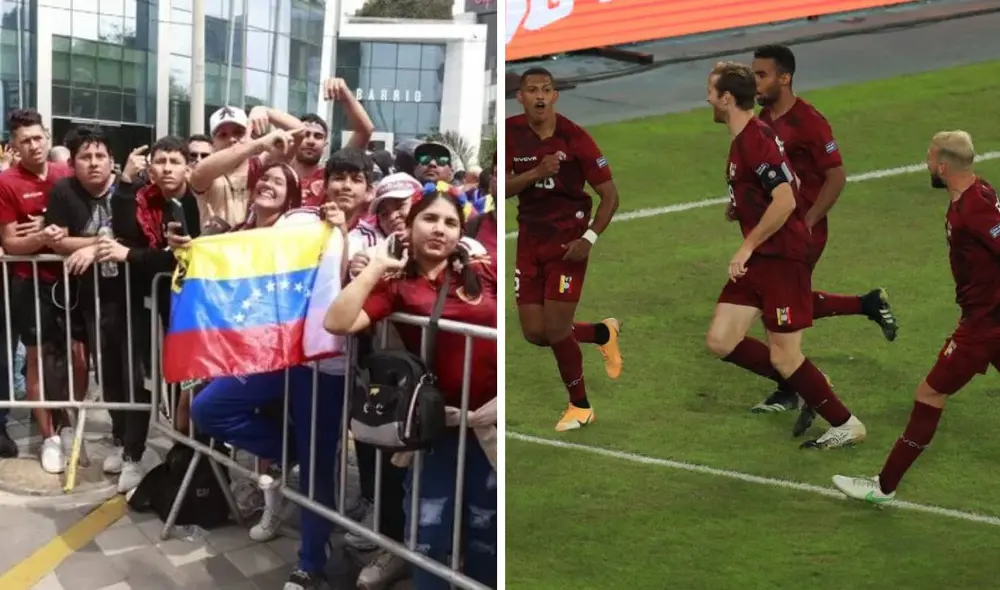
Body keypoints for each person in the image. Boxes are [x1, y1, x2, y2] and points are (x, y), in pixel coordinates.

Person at [324, 185, 497, 590]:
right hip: (436, 429)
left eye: (450, 222)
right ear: (411, 226)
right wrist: (375, 266)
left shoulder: (484, 272)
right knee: (427, 528)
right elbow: (337, 322)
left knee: (485, 527)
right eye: (430, 219)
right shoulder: (397, 285)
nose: (440, 230)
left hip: (492, 425)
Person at [191, 161, 348, 590]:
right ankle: (287, 451)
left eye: (281, 181)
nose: (269, 184)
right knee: (208, 408)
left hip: (322, 366)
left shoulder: (331, 228)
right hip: (271, 358)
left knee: (318, 470)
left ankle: (311, 564)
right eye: (339, 180)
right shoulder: (268, 227)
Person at [702, 61, 866, 449]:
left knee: (785, 356)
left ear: (726, 98)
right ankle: (808, 380)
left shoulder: (754, 138)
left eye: (710, 92)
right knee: (722, 340)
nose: (706, 98)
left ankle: (845, 422)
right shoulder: (747, 136)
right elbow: (775, 184)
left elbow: (785, 198)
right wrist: (740, 207)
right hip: (764, 259)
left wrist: (747, 244)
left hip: (781, 258)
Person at [833, 131, 999, 503]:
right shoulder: (979, 191)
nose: (925, 162)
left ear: (943, 166)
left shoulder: (974, 209)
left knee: (929, 392)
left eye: (929, 157)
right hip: (989, 318)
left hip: (983, 326)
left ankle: (883, 486)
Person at [750, 44, 899, 422]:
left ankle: (799, 391)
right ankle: (866, 304)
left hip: (802, 232)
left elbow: (837, 175)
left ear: (784, 78)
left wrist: (811, 220)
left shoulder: (810, 121)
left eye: (761, 74)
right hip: (777, 229)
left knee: (778, 306)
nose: (755, 82)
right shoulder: (763, 119)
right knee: (781, 303)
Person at [506, 66, 623, 432]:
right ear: (520, 97)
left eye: (546, 90)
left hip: (567, 242)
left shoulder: (576, 138)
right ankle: (602, 333)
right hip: (529, 241)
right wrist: (535, 174)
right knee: (535, 333)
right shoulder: (510, 132)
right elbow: (500, 188)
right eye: (531, 90)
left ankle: (581, 406)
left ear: (555, 96)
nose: (539, 96)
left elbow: (610, 196)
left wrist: (588, 239)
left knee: (556, 330)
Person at [93, 136, 202, 491]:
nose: (167, 168)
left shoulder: (194, 201)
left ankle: (181, 448)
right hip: (139, 300)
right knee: (136, 375)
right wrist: (125, 181)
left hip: (185, 304)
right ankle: (132, 452)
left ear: (187, 166)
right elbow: (124, 235)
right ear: (150, 166)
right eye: (160, 161)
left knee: (180, 378)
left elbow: (179, 257)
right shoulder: (141, 196)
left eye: (174, 161)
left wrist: (133, 257)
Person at [46, 126, 140, 484]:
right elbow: (56, 241)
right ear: (73, 164)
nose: (94, 163)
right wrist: (96, 243)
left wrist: (88, 247)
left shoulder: (129, 190)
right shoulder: (63, 191)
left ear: (112, 162)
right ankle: (120, 438)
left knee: (135, 373)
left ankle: (136, 448)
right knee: (107, 370)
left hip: (133, 295)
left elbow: (134, 237)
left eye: (101, 156)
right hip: (90, 299)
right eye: (86, 157)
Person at [0, 109, 81, 473]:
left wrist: (50, 228)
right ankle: (48, 437)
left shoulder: (67, 173)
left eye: (38, 138)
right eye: (25, 141)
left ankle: (68, 426)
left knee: (77, 358)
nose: (34, 146)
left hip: (72, 280)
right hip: (28, 282)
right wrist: (40, 236)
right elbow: (10, 244)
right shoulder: (6, 182)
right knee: (36, 360)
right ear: (14, 147)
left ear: (47, 137)